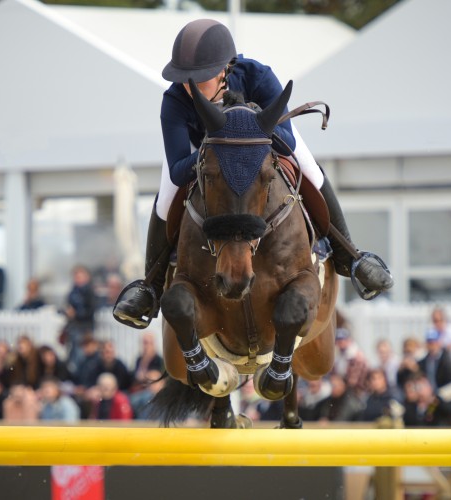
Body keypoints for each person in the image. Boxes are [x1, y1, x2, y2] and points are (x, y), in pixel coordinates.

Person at [114, 18, 393, 328]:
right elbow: (180, 170)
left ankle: (350, 256)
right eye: (183, 77)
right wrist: (213, 150)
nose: (187, 85)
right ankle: (149, 286)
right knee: (166, 197)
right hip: (202, 159)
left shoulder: (258, 77)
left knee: (310, 168)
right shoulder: (175, 101)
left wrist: (249, 131)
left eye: (198, 76)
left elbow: (285, 141)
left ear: (223, 70)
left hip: (268, 146)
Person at [63, 265, 97, 372]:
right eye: (75, 276)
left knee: (81, 355)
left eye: (79, 276)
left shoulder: (89, 292)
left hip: (84, 328)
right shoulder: (72, 292)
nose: (77, 278)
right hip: (73, 328)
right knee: (73, 355)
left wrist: (76, 314)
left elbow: (91, 310)